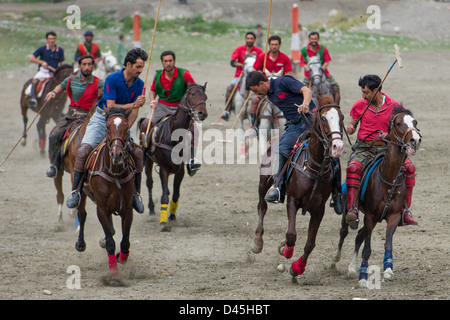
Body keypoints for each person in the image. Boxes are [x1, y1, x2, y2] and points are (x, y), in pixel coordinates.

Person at [65, 48, 148, 213]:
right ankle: (76, 192)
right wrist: (133, 105)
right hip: (102, 119)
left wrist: (123, 131)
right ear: (129, 65)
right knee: (83, 151)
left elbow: (135, 112)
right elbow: (110, 107)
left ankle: (135, 195)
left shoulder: (139, 84)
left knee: (138, 154)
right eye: (138, 67)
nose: (140, 70)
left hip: (122, 123)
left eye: (142, 67)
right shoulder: (112, 79)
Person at [345, 74, 418, 227]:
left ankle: (405, 211)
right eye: (362, 92)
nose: (363, 96)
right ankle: (352, 209)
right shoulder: (359, 105)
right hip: (365, 148)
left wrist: (389, 134)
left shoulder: (394, 105)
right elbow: (351, 126)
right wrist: (350, 128)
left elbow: (405, 125)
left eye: (366, 92)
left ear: (376, 90)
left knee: (410, 168)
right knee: (353, 168)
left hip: (387, 149)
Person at [246, 71, 314, 203]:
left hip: (311, 120)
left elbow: (307, 90)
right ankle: (279, 188)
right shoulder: (269, 95)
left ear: (261, 83)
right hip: (294, 125)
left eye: (256, 90)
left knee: (330, 146)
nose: (256, 94)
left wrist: (305, 104)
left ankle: (336, 192)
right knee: (282, 148)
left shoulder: (283, 81)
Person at [45, 55, 104, 178]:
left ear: (93, 66)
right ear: (79, 66)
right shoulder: (71, 80)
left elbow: (106, 96)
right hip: (71, 116)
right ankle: (54, 165)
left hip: (90, 118)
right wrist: (53, 92)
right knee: (54, 136)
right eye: (84, 64)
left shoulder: (99, 83)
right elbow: (60, 87)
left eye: (89, 64)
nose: (87, 67)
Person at [148, 50, 201, 176]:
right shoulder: (157, 75)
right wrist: (152, 100)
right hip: (162, 106)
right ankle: (144, 152)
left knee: (194, 129)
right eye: (165, 61)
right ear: (162, 63)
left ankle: (192, 159)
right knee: (147, 124)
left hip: (180, 107)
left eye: (170, 61)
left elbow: (193, 89)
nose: (168, 63)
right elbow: (152, 90)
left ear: (174, 62)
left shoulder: (184, 74)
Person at [249, 35, 293, 134]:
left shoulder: (285, 58)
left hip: (280, 89)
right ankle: (254, 126)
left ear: (279, 45)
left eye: (276, 44)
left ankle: (290, 124)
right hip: (264, 89)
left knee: (291, 103)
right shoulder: (262, 57)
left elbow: (289, 74)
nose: (274, 46)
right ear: (269, 45)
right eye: (272, 44)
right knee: (254, 101)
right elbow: (254, 71)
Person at [221, 32, 263, 121]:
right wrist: (240, 65)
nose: (249, 40)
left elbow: (262, 62)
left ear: (254, 40)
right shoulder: (240, 49)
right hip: (240, 75)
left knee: (263, 91)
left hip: (254, 76)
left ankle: (262, 112)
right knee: (230, 88)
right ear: (245, 39)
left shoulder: (258, 51)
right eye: (248, 38)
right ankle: (227, 111)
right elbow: (232, 62)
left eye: (251, 38)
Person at [29, 31, 65, 107]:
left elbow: (62, 63)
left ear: (56, 39)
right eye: (50, 39)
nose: (52, 40)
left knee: (63, 85)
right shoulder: (42, 49)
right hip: (44, 71)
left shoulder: (60, 50)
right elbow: (32, 58)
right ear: (47, 40)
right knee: (35, 80)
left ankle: (60, 105)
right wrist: (41, 62)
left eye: (53, 38)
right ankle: (33, 98)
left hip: (54, 73)